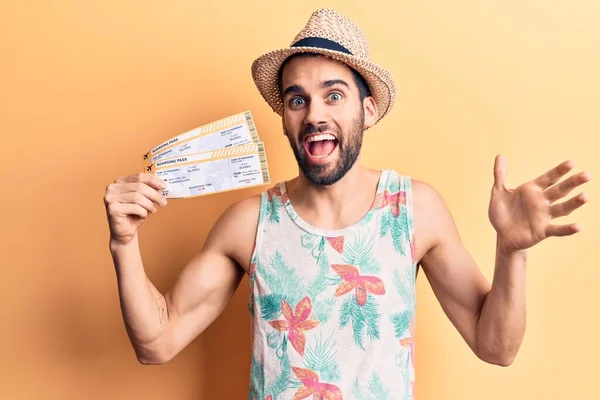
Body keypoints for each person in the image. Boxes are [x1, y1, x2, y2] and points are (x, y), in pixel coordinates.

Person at [103, 8, 591, 399]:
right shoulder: (249, 224)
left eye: (333, 95)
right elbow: (157, 342)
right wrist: (124, 242)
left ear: (368, 108)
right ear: (286, 116)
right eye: (297, 100)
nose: (314, 113)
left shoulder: (414, 209)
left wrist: (511, 252)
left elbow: (496, 348)